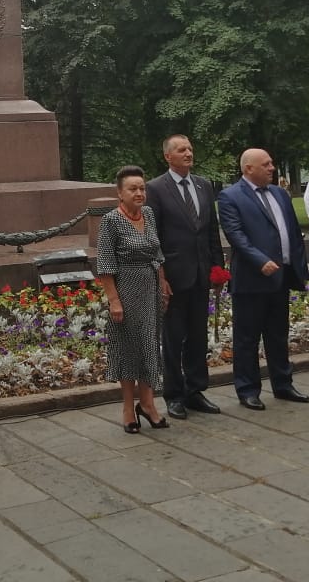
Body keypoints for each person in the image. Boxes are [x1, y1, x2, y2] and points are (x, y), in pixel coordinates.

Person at [218, 149, 309, 409]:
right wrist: (260, 261)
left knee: (278, 334)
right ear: (249, 168)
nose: (272, 167)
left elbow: (292, 232)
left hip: (280, 277)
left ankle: (283, 384)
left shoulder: (280, 194)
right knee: (247, 338)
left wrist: (298, 268)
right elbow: (236, 235)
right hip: (251, 280)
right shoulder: (230, 196)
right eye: (266, 164)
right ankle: (248, 389)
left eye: (272, 162)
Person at [144, 134, 225, 420]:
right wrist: (160, 275)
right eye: (181, 150)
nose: (188, 153)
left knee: (197, 337)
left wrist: (218, 266)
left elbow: (211, 231)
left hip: (202, 274)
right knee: (174, 337)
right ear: (168, 156)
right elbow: (152, 237)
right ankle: (174, 395)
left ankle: (195, 391)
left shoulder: (203, 186)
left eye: (190, 148)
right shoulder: (155, 189)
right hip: (174, 277)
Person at [96, 166, 173, 432]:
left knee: (150, 345)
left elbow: (157, 253)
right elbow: (105, 264)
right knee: (130, 350)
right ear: (120, 193)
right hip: (126, 290)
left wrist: (162, 283)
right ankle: (129, 408)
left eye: (142, 188)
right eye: (133, 189)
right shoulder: (110, 221)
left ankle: (149, 404)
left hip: (151, 287)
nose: (139, 193)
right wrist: (114, 301)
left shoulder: (149, 215)